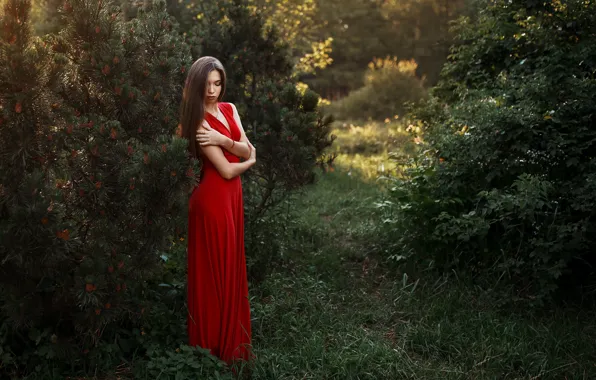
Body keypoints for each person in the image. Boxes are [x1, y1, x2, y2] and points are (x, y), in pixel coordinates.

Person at [179, 56, 256, 364]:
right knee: (214, 274)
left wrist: (225, 139)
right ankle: (210, 351)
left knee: (231, 268)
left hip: (231, 199)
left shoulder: (229, 109)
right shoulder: (196, 120)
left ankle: (230, 347)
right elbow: (226, 169)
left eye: (217, 83)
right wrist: (246, 158)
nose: (212, 90)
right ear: (196, 83)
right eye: (207, 83)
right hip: (211, 200)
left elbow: (246, 147)